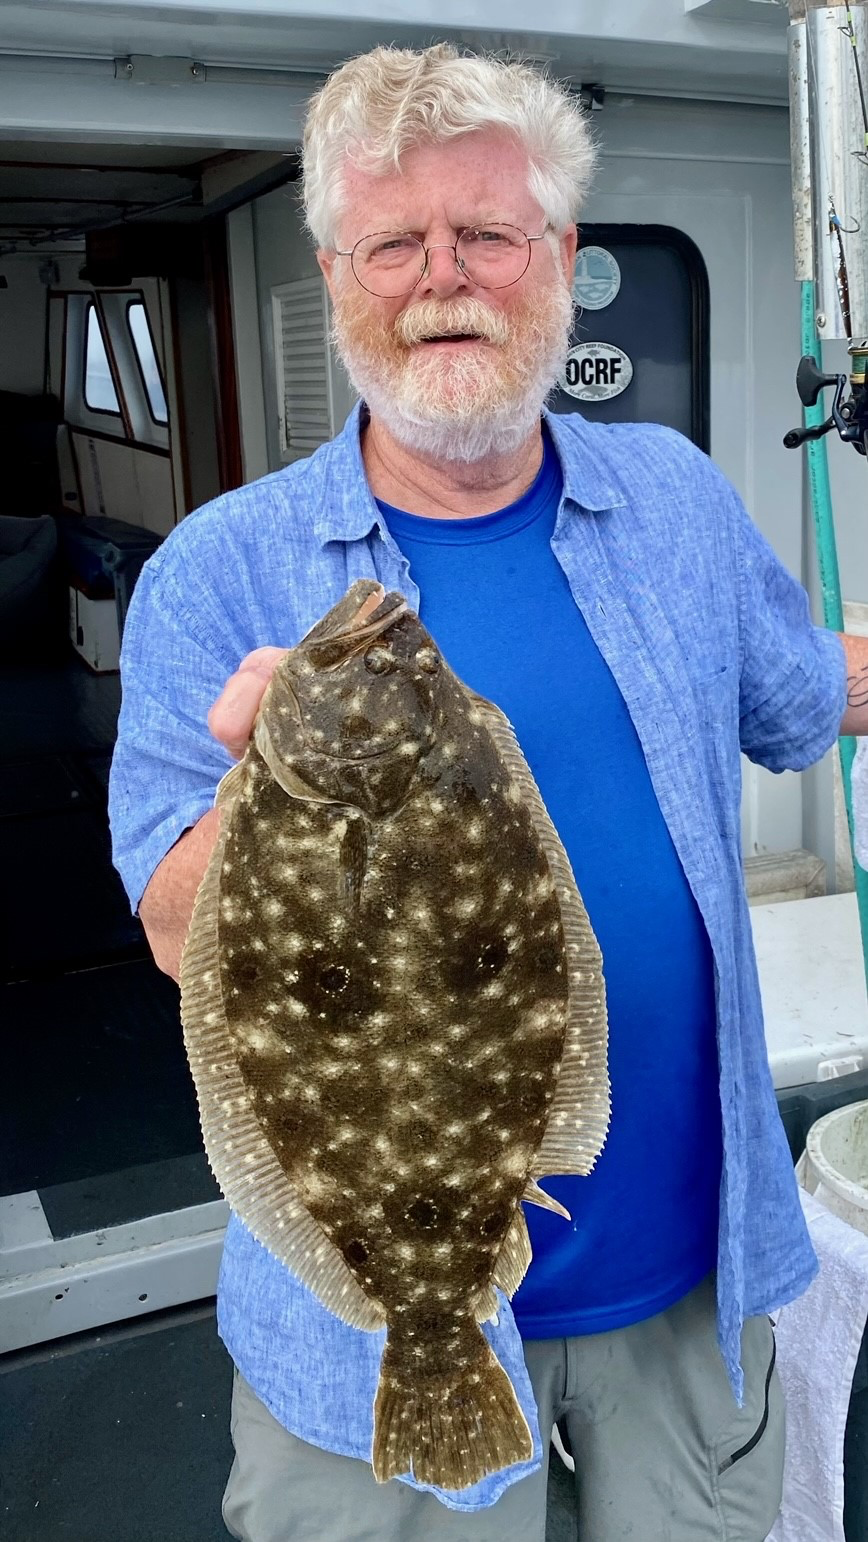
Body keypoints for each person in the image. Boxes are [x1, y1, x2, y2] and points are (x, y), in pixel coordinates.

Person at [108, 42, 868, 1542]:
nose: (441, 277)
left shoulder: (674, 499)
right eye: (395, 242)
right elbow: (177, 934)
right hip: (370, 1332)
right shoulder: (217, 571)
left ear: (562, 261)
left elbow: (799, 692)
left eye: (487, 235)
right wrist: (271, 783)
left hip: (685, 1289)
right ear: (337, 276)